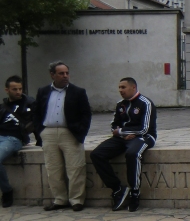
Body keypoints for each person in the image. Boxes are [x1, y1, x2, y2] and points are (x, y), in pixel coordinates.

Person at [90, 77, 157, 212]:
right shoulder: (120, 104)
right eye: (119, 88)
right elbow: (114, 125)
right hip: (123, 137)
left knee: (132, 154)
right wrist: (122, 133)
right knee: (96, 154)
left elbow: (144, 128)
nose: (120, 90)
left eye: (123, 87)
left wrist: (123, 131)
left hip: (144, 137)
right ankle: (118, 189)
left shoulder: (146, 103)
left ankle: (135, 193)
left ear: (133, 87)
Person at [34, 62, 92, 212]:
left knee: (75, 168)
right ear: (52, 75)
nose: (65, 76)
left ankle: (76, 200)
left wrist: (81, 132)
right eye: (61, 73)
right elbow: (36, 113)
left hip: (70, 133)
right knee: (53, 169)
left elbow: (86, 114)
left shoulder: (78, 92)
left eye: (67, 73)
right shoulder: (43, 91)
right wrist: (40, 131)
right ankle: (60, 199)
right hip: (49, 133)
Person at [0, 76, 36, 208]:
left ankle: (7, 191)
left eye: (20, 89)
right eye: (14, 89)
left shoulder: (29, 104)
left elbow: (36, 122)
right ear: (7, 90)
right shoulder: (3, 107)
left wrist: (40, 141)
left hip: (13, 138)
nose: (18, 92)